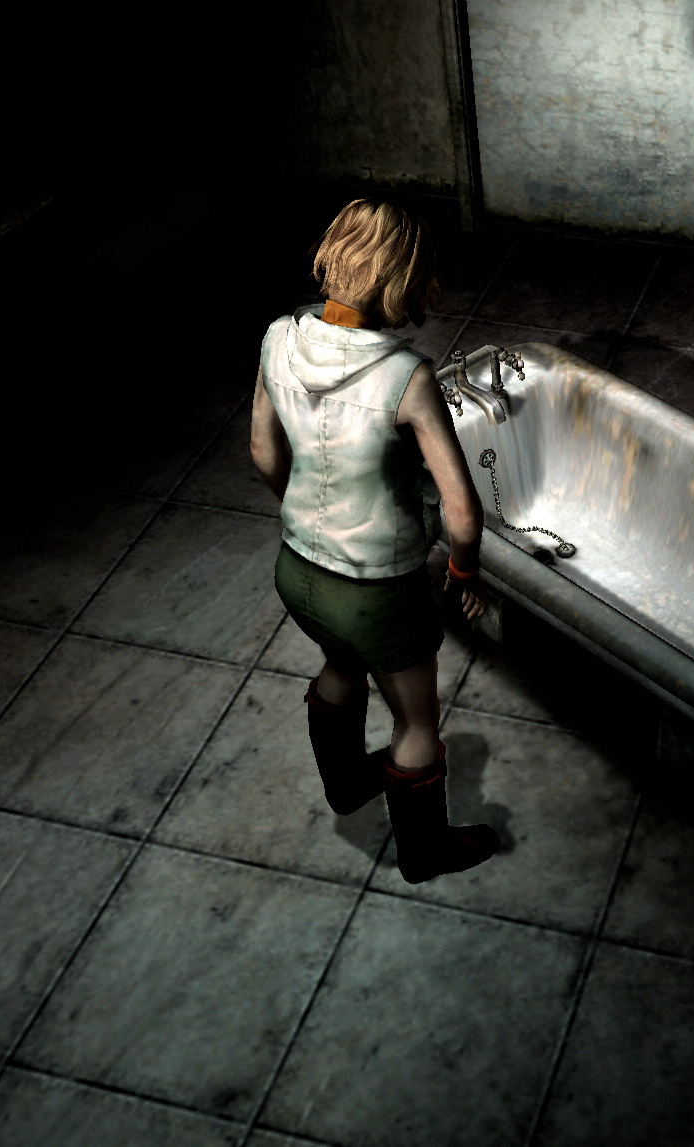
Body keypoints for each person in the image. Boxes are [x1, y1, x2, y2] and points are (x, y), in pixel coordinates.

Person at [249, 198, 497, 884]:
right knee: (416, 723)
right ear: (403, 278)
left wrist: (309, 518)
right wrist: (464, 572)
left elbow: (263, 452)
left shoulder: (278, 337)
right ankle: (424, 853)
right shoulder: (407, 378)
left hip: (297, 570)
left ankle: (345, 786)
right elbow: (461, 511)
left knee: (340, 663)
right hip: (377, 592)